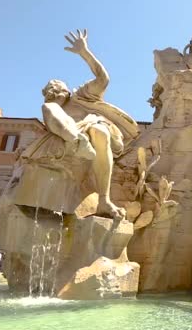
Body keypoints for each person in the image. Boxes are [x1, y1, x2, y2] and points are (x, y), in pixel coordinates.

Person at [36, 29, 140, 219]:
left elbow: (103, 79)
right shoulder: (51, 108)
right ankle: (75, 141)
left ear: (65, 91)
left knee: (99, 130)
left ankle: (104, 199)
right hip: (63, 139)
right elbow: (50, 119)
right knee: (52, 114)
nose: (51, 94)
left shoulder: (81, 97)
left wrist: (84, 52)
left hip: (89, 133)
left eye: (55, 90)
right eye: (48, 92)